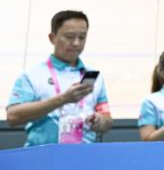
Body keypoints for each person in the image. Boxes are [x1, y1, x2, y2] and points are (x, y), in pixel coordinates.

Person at [6, 10, 112, 146]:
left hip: (85, 157)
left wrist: (100, 121)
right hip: (42, 157)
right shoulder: (32, 75)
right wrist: (63, 99)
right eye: (69, 36)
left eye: (82, 37)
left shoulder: (93, 76)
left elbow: (107, 119)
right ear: (52, 38)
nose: (76, 43)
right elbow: (13, 116)